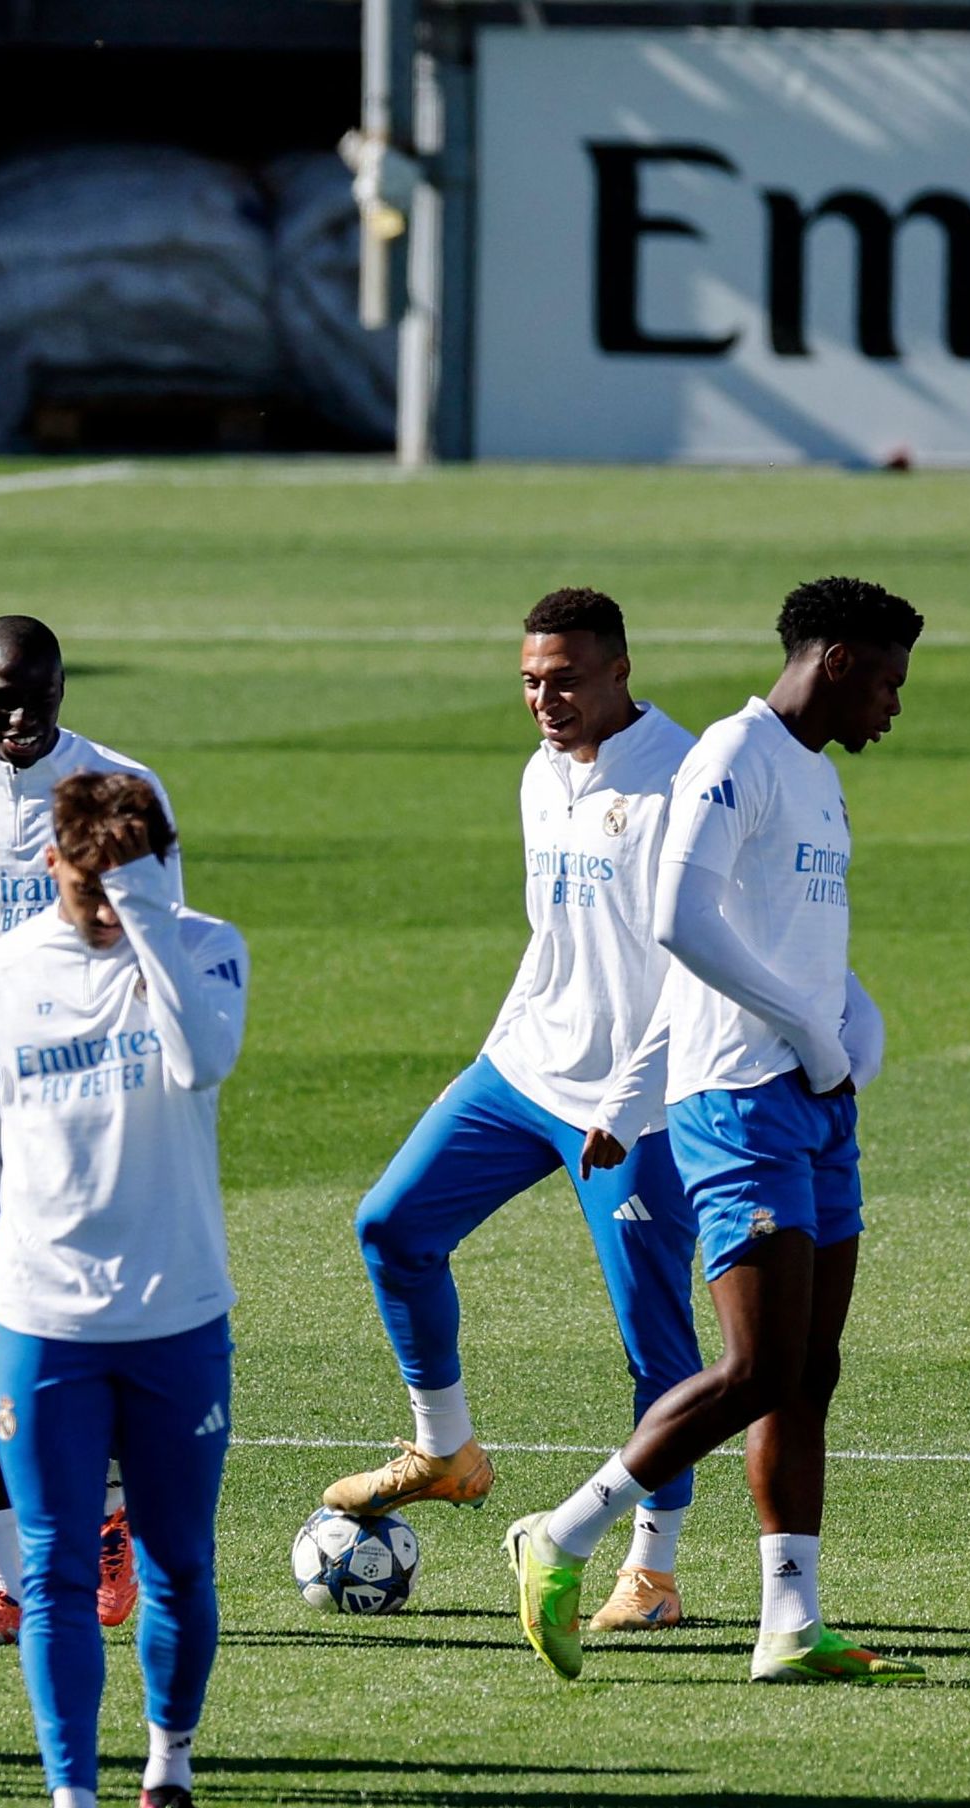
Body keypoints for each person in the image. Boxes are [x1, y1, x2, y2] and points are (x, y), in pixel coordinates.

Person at [507, 576, 914, 1685]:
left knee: (808, 1372)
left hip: (813, 1103)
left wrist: (852, 1044)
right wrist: (807, 1041)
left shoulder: (814, 776)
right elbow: (676, 922)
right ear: (835, 663)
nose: (892, 706)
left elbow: (810, 950)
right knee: (754, 1364)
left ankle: (789, 1621)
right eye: (884, 681)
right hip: (737, 1098)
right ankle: (566, 1531)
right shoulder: (733, 757)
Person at [335, 588, 712, 1633]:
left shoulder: (681, 782)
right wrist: (500, 1051)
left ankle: (654, 1571)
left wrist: (630, 1103)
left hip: (637, 1103)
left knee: (653, 1339)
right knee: (391, 1226)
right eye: (531, 683)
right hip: (524, 1070)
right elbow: (558, 939)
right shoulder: (540, 775)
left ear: (621, 671)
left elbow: (697, 970)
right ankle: (445, 1448)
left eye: (567, 680)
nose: (546, 700)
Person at [0, 772, 248, 1808]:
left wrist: (148, 917)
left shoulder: (204, 949)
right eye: (92, 879)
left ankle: (169, 1778)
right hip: (43, 1322)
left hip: (177, 1319)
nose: (108, 903)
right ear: (54, 863)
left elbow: (200, 1059)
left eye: (133, 876)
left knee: (178, 1565)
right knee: (59, 1569)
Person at [0, 615, 174, 1655]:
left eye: (41, 693)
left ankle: (110, 1526)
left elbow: (161, 956)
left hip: (78, 1113)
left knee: (78, 1329)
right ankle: (2, 1581)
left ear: (64, 689)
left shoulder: (118, 789)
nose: (22, 714)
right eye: (1, 695)